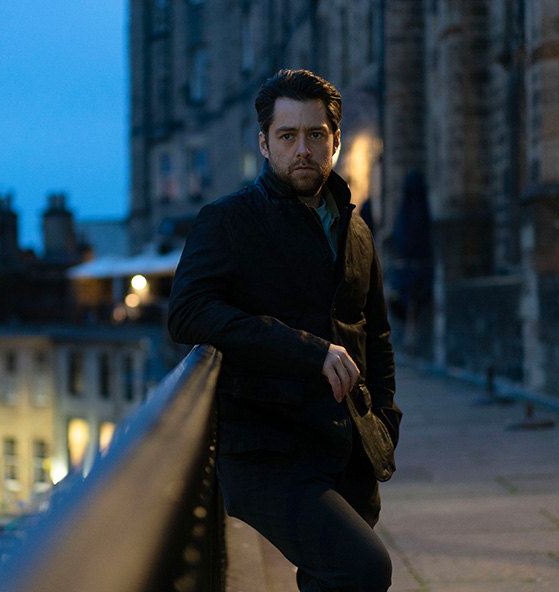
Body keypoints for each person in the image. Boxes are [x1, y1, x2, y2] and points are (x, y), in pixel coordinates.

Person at [168, 69, 401, 592]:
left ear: (335, 142)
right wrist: (307, 352)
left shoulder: (356, 229)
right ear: (264, 143)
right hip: (266, 451)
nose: (303, 149)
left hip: (347, 447)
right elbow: (187, 313)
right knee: (364, 569)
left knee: (329, 580)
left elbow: (375, 335)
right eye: (288, 136)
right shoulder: (227, 221)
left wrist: (385, 421)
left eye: (316, 135)